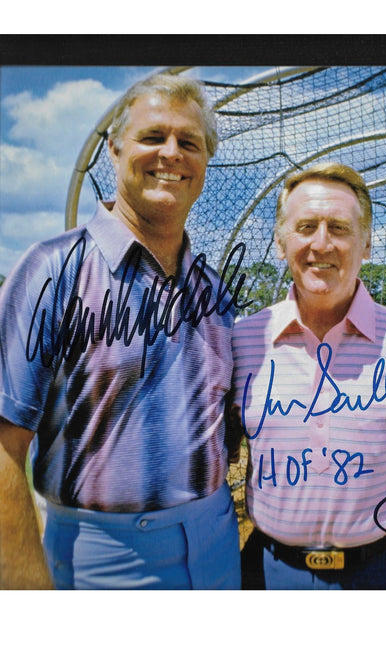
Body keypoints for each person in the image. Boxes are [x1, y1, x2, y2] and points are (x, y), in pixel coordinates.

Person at [0, 73, 244, 590]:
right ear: (113, 151)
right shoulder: (51, 270)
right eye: (153, 137)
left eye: (189, 143)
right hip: (102, 561)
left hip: (219, 549)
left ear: (204, 164)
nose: (171, 154)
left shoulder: (216, 293)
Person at [229, 162, 386, 590]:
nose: (321, 243)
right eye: (306, 226)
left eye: (340, 228)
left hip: (383, 572)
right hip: (270, 573)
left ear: (366, 243)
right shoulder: (242, 342)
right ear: (280, 241)